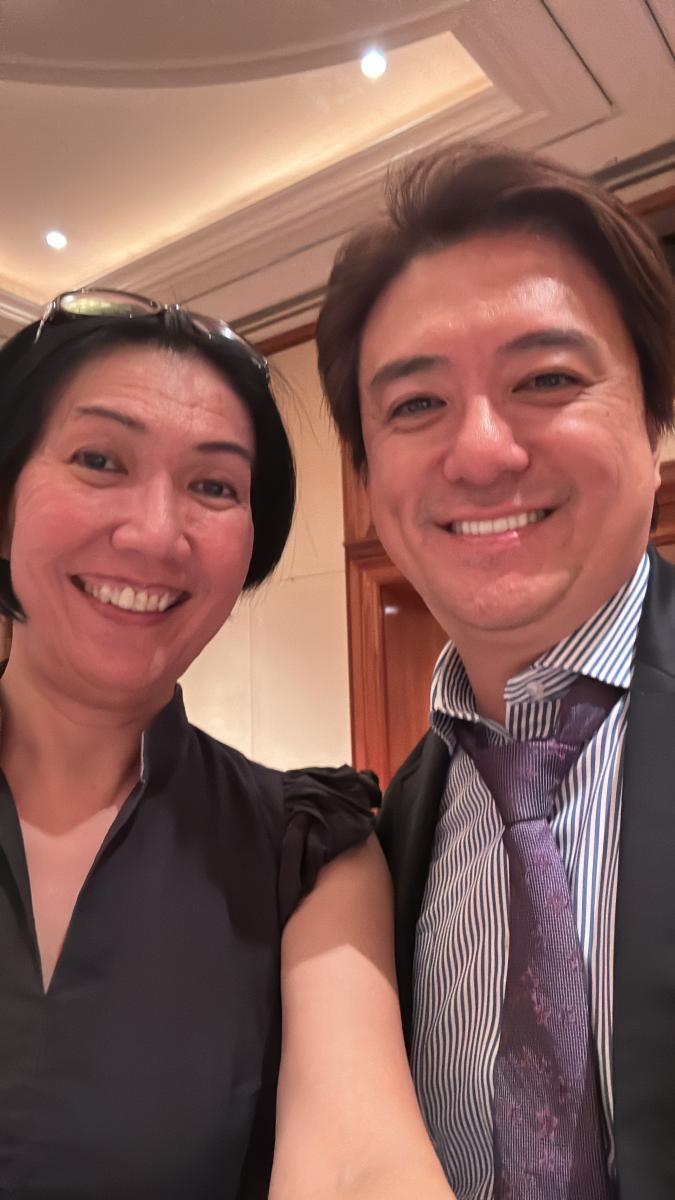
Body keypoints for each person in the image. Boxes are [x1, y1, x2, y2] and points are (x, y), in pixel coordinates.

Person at [0, 290, 454, 1200]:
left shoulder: (307, 854)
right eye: (98, 459)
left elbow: (356, 1166)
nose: (154, 533)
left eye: (214, 486)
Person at [316, 142, 675, 1199]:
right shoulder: (372, 848)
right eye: (415, 405)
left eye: (546, 380)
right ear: (367, 473)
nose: (480, 452)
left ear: (657, 419)